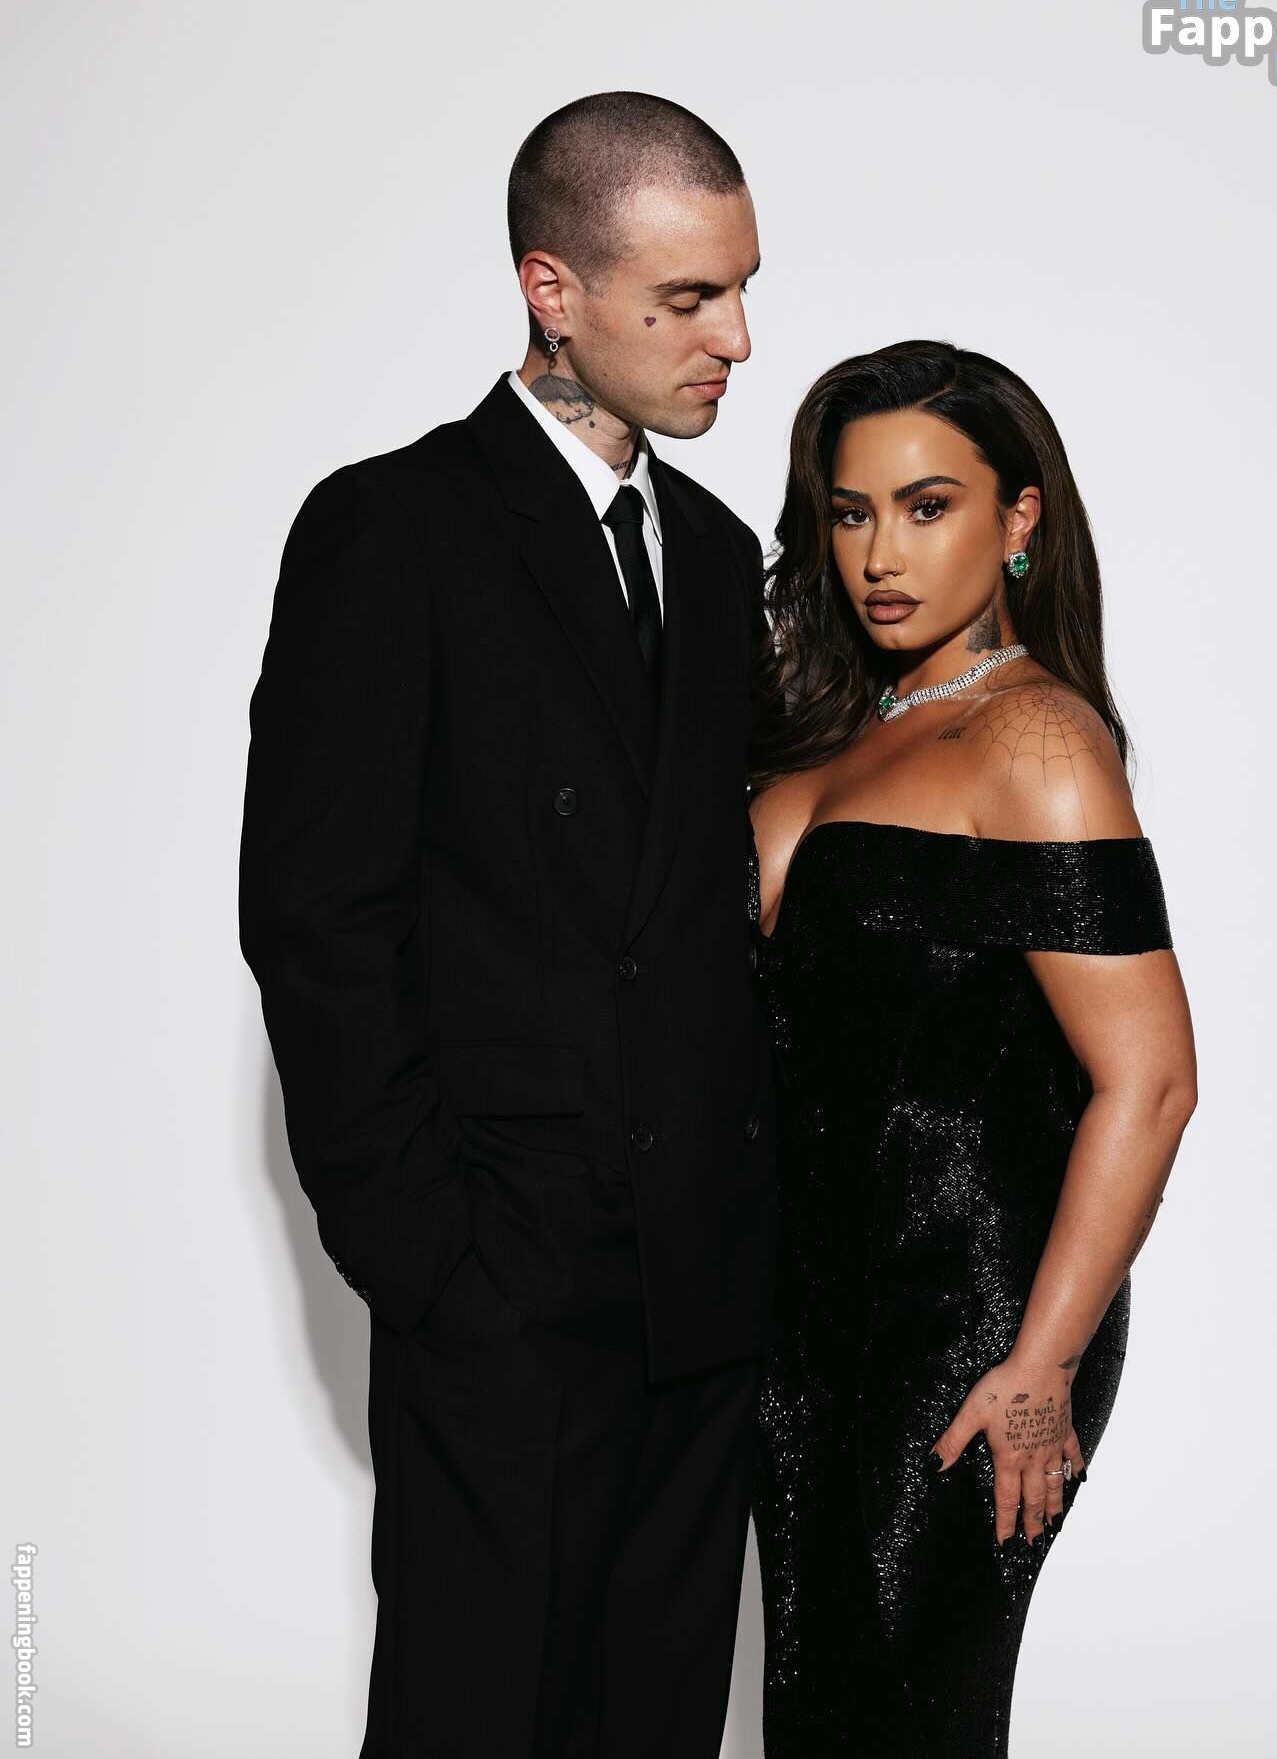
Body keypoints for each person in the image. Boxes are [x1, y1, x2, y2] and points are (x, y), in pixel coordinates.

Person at [238, 91, 775, 1759]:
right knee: (474, 1717)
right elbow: (317, 917)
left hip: (699, 1283)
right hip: (504, 1281)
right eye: (687, 298)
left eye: (741, 289)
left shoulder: (718, 551)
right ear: (554, 290)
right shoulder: (392, 529)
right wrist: (431, 1257)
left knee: (659, 1721)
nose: (736, 340)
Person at [746, 340, 1199, 1755]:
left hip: (967, 1323)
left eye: (928, 506)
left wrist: (1042, 1364)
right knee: (817, 1709)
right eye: (851, 511)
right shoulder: (817, 729)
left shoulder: (1037, 742)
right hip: (798, 1317)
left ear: (1019, 519)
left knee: (904, 1712)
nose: (881, 555)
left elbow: (1151, 1080)